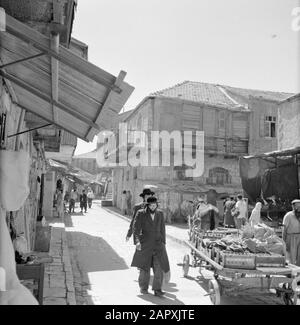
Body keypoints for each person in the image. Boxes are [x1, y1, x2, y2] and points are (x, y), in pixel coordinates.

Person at [131, 196, 170, 297]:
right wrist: (137, 242)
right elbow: (136, 229)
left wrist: (163, 242)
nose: (153, 207)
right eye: (151, 205)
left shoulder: (160, 213)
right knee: (145, 267)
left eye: (155, 205)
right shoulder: (141, 213)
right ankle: (143, 288)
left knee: (159, 267)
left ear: (157, 205)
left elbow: (162, 229)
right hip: (145, 244)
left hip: (158, 244)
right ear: (147, 205)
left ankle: (157, 289)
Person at [282, 199, 300, 266]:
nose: (299, 208)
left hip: (299, 237)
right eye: (297, 206)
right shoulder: (288, 215)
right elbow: (284, 229)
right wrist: (283, 241)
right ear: (293, 207)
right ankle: (292, 272)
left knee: (299, 256)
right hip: (291, 238)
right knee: (292, 256)